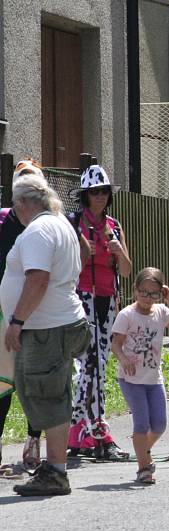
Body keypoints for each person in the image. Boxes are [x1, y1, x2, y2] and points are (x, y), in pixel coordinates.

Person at [1, 174, 90, 496]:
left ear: (24, 202)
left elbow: (38, 278)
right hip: (60, 323)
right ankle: (54, 467)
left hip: (46, 329)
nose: (14, 211)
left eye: (15, 205)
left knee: (45, 394)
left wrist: (17, 321)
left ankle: (55, 472)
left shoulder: (38, 230)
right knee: (50, 392)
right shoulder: (61, 224)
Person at [66, 165, 132, 460]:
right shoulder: (73, 223)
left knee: (99, 364)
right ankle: (87, 427)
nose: (100, 197)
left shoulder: (114, 226)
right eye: (94, 192)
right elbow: (66, 268)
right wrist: (84, 252)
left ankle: (86, 428)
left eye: (104, 191)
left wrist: (119, 251)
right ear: (85, 195)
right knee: (89, 363)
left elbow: (128, 271)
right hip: (82, 297)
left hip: (108, 300)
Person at [111, 268, 169, 484]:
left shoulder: (161, 312)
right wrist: (124, 359)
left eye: (153, 294)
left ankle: (142, 449)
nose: (147, 298)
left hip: (154, 379)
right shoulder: (127, 314)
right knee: (142, 424)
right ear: (135, 290)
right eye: (143, 292)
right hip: (131, 379)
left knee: (159, 425)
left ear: (160, 294)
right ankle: (144, 468)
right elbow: (115, 345)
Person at [0, 160, 47, 471]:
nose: (25, 197)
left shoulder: (47, 224)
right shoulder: (2, 220)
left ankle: (33, 444)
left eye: (32, 188)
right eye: (21, 187)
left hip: (39, 316)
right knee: (3, 385)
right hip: (3, 316)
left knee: (36, 384)